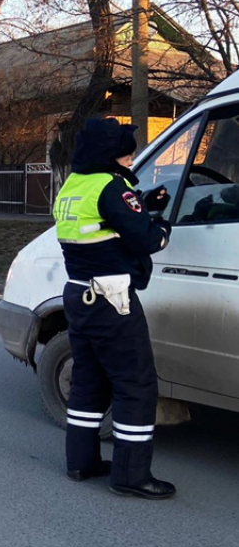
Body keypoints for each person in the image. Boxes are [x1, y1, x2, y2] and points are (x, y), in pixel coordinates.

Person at [53, 117, 175, 500]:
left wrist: (142, 202)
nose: (130, 159)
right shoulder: (112, 186)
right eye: (127, 153)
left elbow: (105, 222)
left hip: (78, 294)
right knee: (135, 383)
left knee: (89, 379)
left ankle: (81, 462)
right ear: (113, 154)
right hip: (111, 297)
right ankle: (131, 475)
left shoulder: (73, 185)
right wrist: (162, 226)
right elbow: (145, 240)